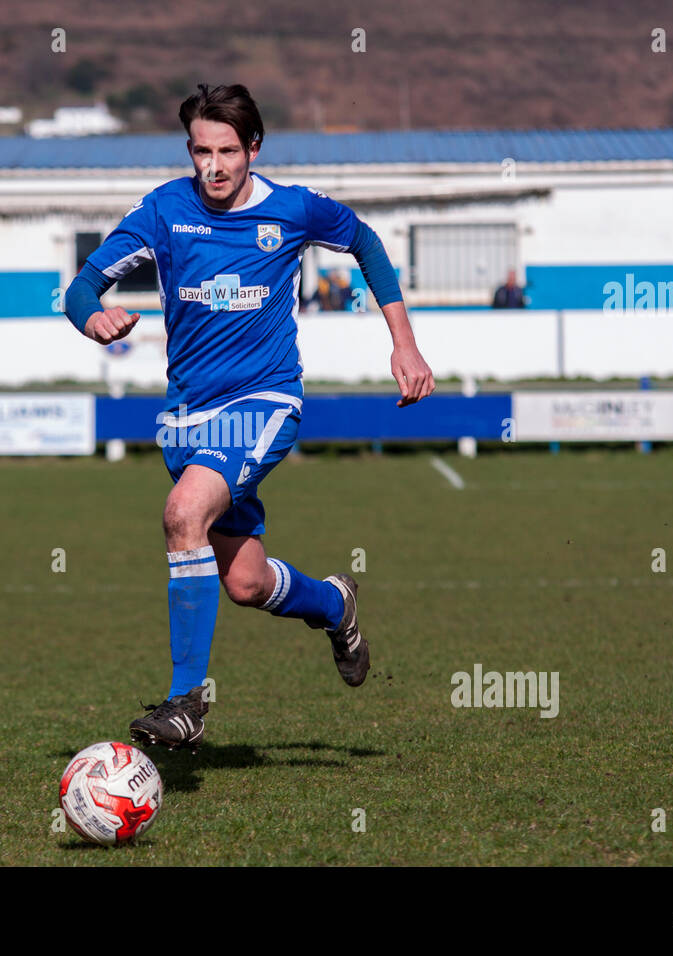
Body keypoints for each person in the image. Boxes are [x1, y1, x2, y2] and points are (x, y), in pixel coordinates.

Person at [63, 83, 435, 752]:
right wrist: (91, 313)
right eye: (201, 151)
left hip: (263, 403)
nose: (214, 166)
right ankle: (335, 605)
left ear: (254, 148)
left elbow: (369, 245)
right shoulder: (164, 211)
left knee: (183, 515)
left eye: (228, 151)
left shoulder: (292, 209)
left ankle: (186, 703)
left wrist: (403, 342)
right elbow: (82, 284)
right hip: (185, 420)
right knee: (244, 581)